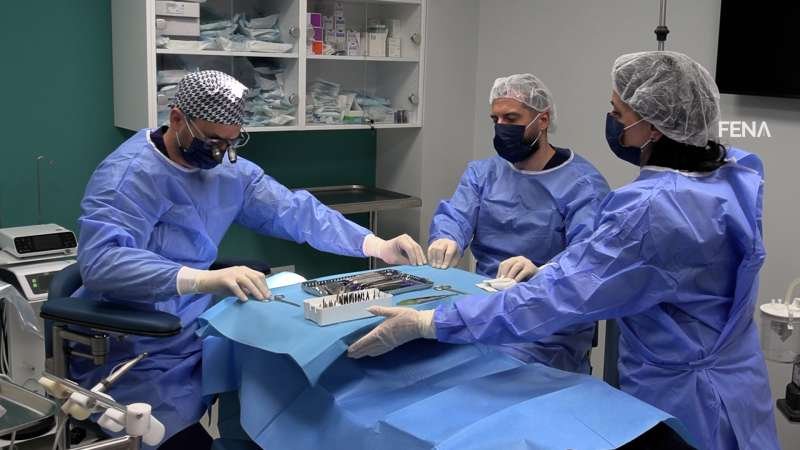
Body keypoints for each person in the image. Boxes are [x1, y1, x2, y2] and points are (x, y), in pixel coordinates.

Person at [348, 52, 780, 450]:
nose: (612, 121)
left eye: (618, 113)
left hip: (690, 400)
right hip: (739, 383)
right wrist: (543, 268)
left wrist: (431, 322)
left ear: (653, 126)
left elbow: (567, 292)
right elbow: (606, 265)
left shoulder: (650, 208)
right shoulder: (732, 174)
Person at [72, 70, 426, 448]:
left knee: (270, 394)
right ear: (176, 119)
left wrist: (375, 245)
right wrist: (200, 279)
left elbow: (293, 211)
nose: (220, 152)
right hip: (135, 340)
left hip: (199, 325)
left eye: (231, 141)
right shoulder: (129, 175)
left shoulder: (227, 171)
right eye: (212, 140)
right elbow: (102, 262)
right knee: (169, 436)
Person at [427, 74, 609, 372]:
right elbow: (456, 215)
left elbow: (589, 257)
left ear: (543, 120)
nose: (501, 127)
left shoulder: (581, 185)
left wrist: (544, 271)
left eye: (511, 118)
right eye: (495, 119)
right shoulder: (483, 173)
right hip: (485, 307)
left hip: (547, 321)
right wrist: (447, 237)